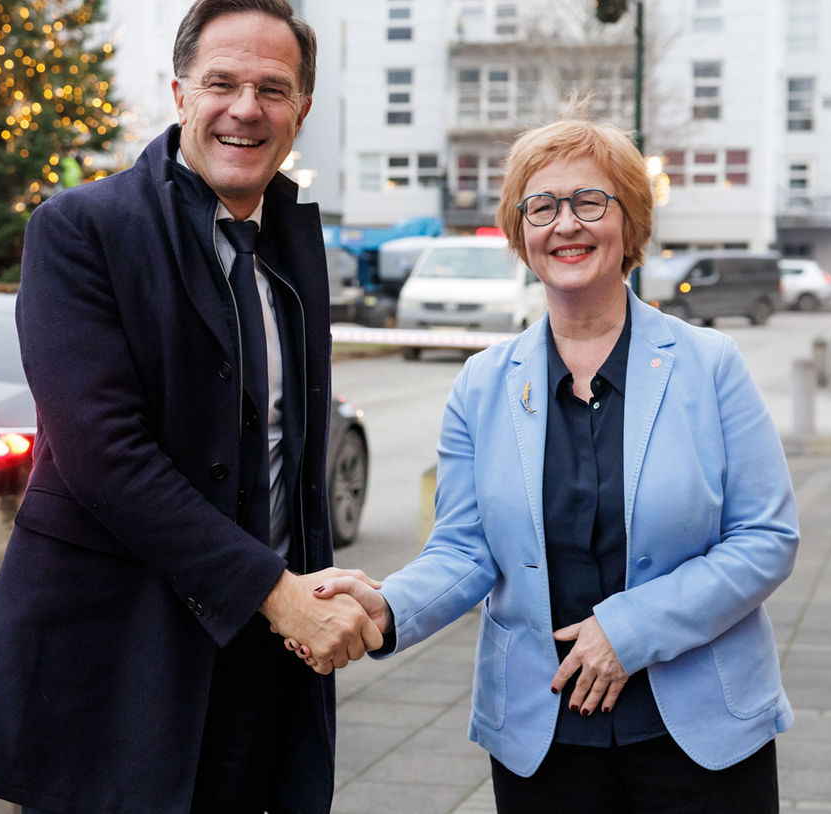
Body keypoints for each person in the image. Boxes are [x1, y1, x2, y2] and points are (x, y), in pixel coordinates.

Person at [0, 0, 381, 814]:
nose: (244, 109)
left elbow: (285, 452)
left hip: (264, 660)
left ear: (301, 110)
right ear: (180, 93)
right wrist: (278, 591)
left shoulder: (291, 239)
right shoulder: (81, 229)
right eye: (222, 83)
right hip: (121, 665)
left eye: (272, 90)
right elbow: (103, 457)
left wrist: (316, 590)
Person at [306, 118, 800, 812]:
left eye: (590, 201)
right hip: (545, 739)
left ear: (630, 223)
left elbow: (766, 538)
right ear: (521, 234)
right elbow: (465, 550)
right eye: (541, 207)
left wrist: (627, 632)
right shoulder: (481, 385)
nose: (565, 224)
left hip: (702, 734)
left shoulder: (710, 365)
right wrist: (386, 608)